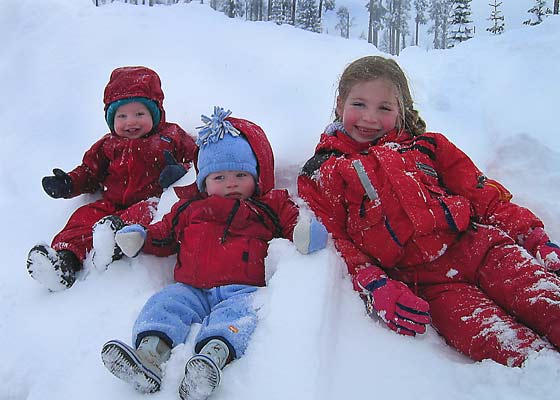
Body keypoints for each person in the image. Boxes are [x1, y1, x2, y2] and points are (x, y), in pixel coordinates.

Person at [297, 55, 560, 367]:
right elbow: (338, 240)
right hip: (431, 284)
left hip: (482, 247)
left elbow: (483, 195)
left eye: (384, 108)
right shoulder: (323, 171)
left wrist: (532, 236)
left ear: (401, 111)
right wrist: (375, 284)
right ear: (340, 104)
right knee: (503, 346)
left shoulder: (428, 146)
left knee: (547, 301)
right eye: (359, 104)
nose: (370, 117)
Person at [98, 107, 327, 398]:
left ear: (256, 177)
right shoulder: (190, 208)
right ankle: (149, 354)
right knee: (165, 303)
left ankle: (210, 360)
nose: (230, 183)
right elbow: (164, 234)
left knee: (237, 318)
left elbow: (292, 220)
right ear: (203, 181)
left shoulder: (267, 205)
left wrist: (305, 233)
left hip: (240, 290)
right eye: (219, 177)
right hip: (190, 288)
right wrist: (142, 238)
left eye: (240, 174)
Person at [26, 66, 197, 292]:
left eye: (140, 114)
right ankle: (64, 260)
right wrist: (69, 183)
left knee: (142, 213)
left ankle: (113, 242)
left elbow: (195, 158)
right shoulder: (107, 144)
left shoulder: (170, 136)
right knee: (83, 217)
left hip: (151, 200)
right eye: (122, 116)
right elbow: (89, 172)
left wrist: (179, 172)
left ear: (155, 113)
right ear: (111, 118)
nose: (131, 122)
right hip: (112, 203)